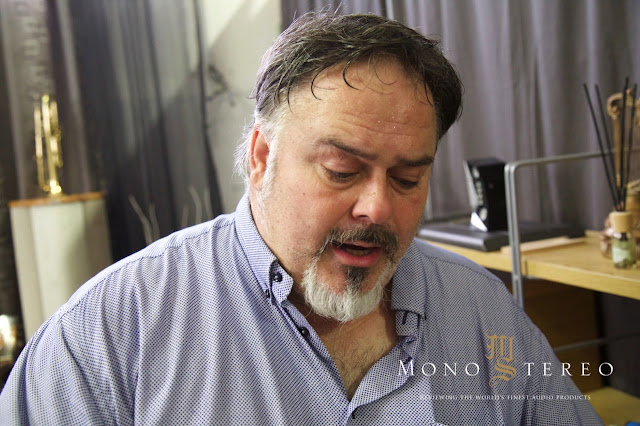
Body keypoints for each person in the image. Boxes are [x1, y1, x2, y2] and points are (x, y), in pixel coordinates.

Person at [0, 12, 601, 425]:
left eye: (406, 179)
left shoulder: (480, 310)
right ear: (261, 156)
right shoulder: (112, 331)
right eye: (342, 171)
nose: (377, 208)